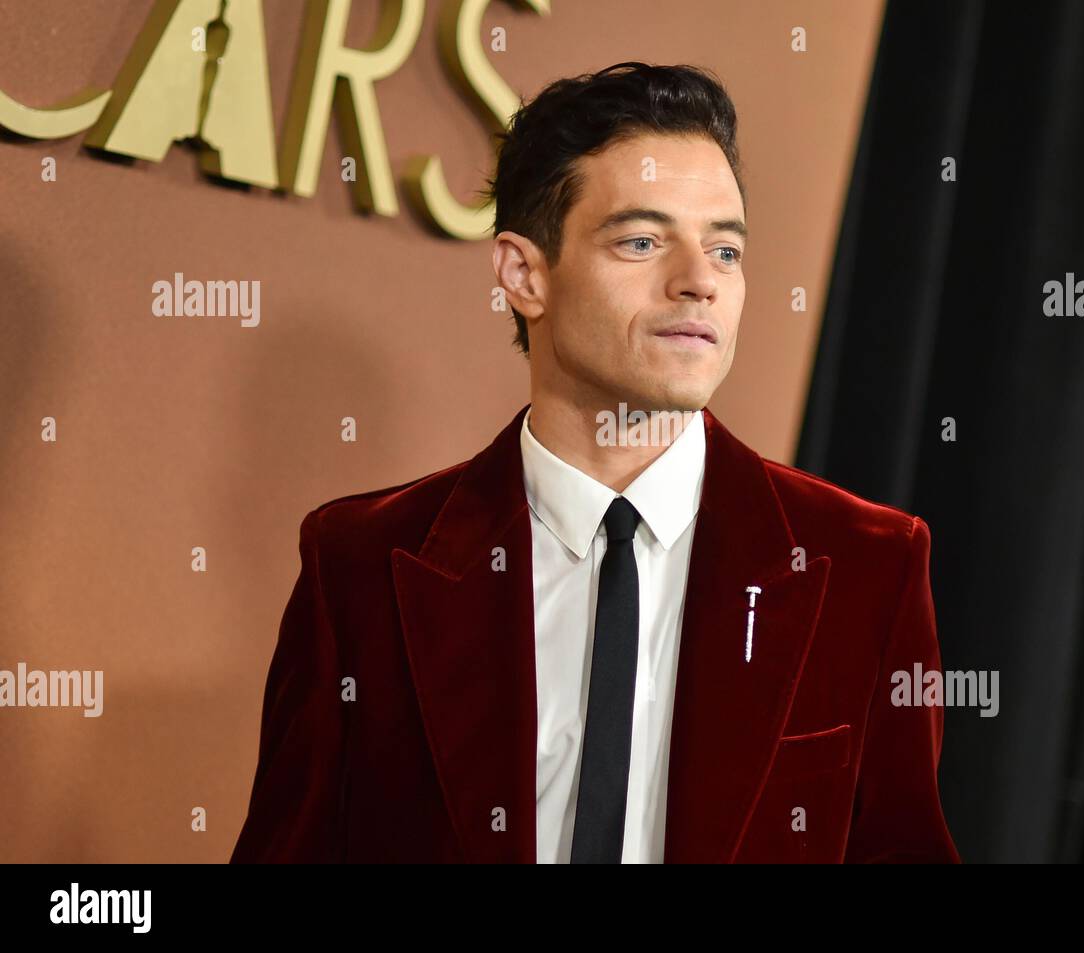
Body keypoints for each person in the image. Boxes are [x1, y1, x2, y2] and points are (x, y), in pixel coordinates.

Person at [230, 62, 959, 864]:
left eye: (724, 250)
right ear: (524, 273)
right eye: (643, 241)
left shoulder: (867, 564)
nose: (697, 284)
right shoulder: (360, 564)